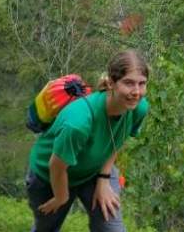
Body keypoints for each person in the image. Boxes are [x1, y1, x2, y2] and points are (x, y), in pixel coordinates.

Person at [26, 50, 150, 232]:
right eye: (128, 83)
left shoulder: (138, 108)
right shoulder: (79, 122)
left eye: (142, 83)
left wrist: (104, 179)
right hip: (50, 178)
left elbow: (116, 140)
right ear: (111, 82)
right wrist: (61, 197)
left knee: (111, 229)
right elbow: (57, 165)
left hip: (95, 171)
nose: (136, 92)